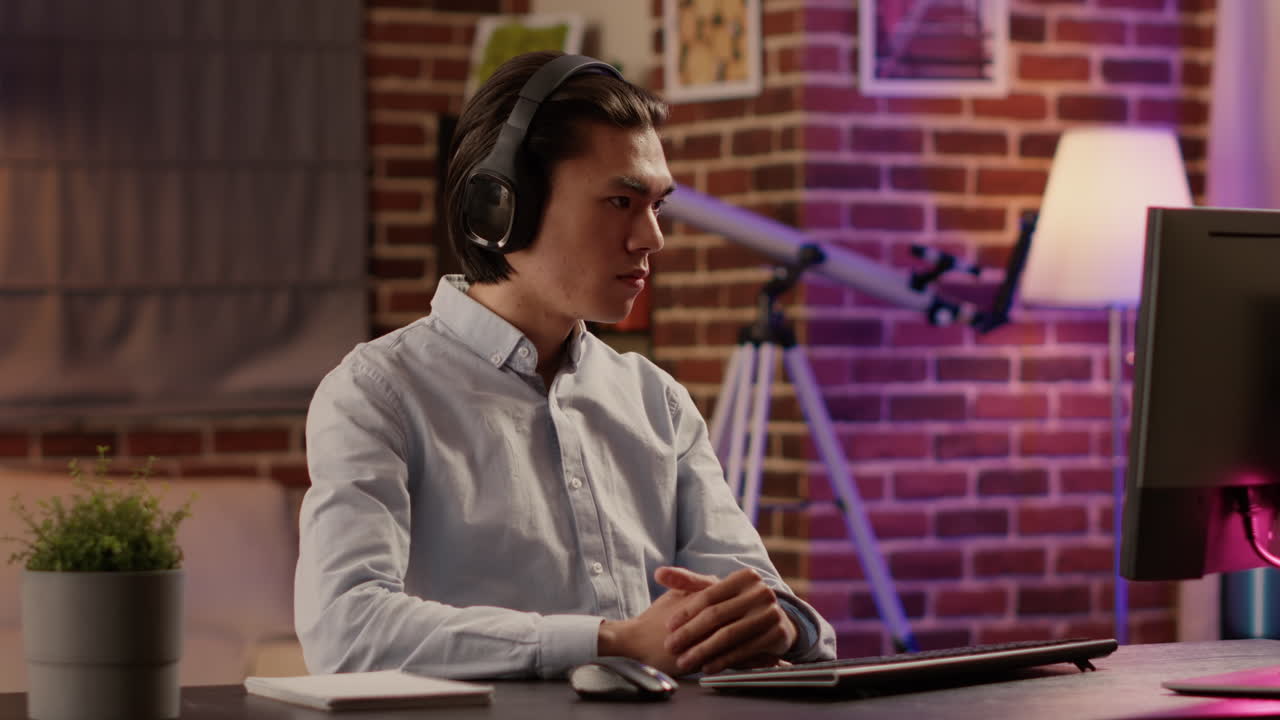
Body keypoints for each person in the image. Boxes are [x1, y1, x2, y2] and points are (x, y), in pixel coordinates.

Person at [295, 51, 837, 680]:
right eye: (620, 201)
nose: (652, 238)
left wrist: (781, 622)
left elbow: (773, 605)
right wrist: (610, 641)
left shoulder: (657, 402)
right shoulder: (377, 394)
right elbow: (344, 629)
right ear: (501, 209)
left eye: (658, 204)